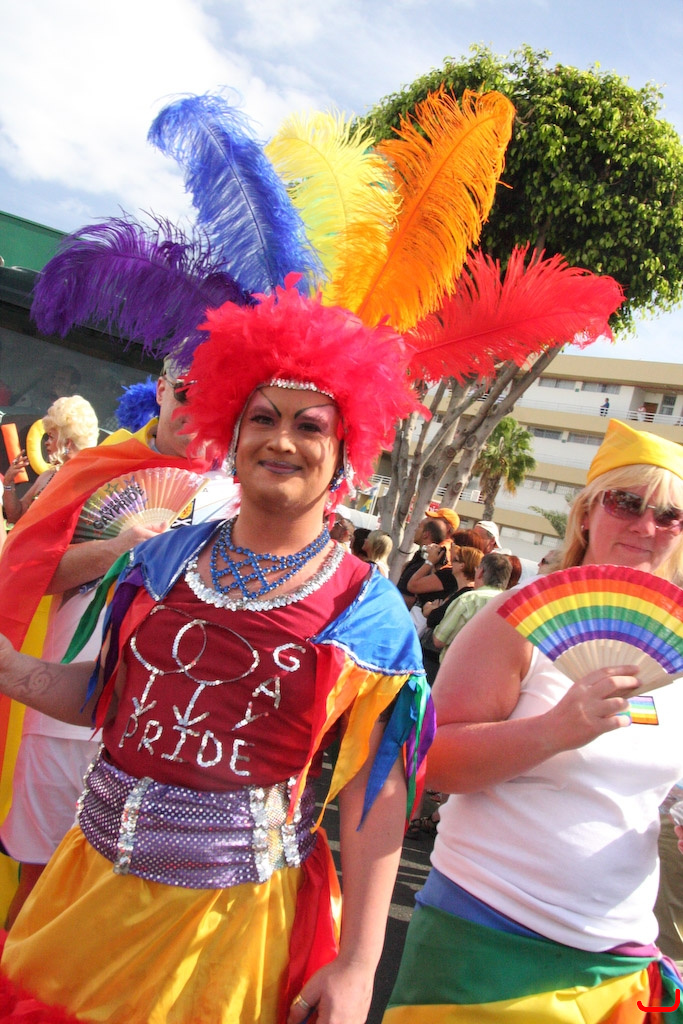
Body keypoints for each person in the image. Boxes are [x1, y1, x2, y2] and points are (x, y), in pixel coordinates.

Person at [0, 281, 434, 1024]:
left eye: (309, 426)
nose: (281, 441)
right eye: (262, 418)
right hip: (85, 896)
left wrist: (361, 963)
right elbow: (105, 698)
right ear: (233, 435)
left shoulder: (368, 612)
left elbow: (376, 789)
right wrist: (9, 669)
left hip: (229, 932)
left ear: (344, 454)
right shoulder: (158, 560)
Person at [384, 418, 683, 1022]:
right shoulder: (512, 621)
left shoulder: (672, 645)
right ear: (587, 514)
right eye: (626, 502)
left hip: (619, 959)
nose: (645, 525)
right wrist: (554, 731)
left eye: (669, 515)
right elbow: (432, 760)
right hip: (487, 938)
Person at [0, 367, 241, 928]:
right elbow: (26, 576)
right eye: (190, 393)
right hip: (58, 713)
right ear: (162, 388)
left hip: (164, 727)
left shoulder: (240, 495)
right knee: (37, 890)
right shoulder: (94, 467)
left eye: (221, 399)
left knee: (116, 910)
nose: (200, 413)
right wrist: (115, 550)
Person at [1, 395, 99, 523]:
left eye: (51, 437)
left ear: (67, 442)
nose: (46, 442)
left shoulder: (88, 481)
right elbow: (16, 516)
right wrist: (8, 483)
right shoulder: (48, 475)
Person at [420, 546, 484, 685]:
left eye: (455, 560)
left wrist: (430, 609)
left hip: (435, 659)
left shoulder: (465, 595)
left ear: (462, 565)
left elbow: (434, 618)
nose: (451, 563)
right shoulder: (458, 591)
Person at [431, 552, 512, 662]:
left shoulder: (469, 600)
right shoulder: (513, 607)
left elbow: (439, 640)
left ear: (480, 572)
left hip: (456, 666)